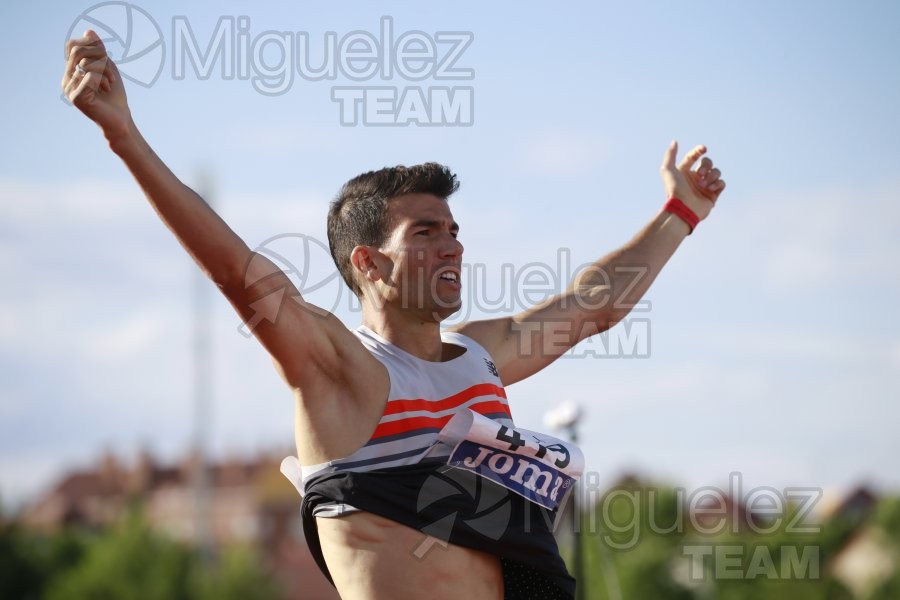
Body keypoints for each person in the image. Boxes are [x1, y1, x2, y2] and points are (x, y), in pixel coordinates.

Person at [62, 30, 726, 600]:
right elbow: (237, 270)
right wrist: (125, 137)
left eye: (455, 229)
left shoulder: (481, 355)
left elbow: (593, 308)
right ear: (369, 264)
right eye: (427, 232)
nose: (454, 244)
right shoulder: (335, 366)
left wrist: (681, 214)